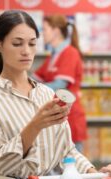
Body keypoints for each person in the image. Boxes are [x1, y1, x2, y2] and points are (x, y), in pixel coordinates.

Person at [0, 10, 111, 179]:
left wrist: (97, 175)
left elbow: (66, 151)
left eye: (32, 43)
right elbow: (1, 165)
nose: (26, 50)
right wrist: (36, 125)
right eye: (17, 43)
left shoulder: (47, 94)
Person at [33, 15, 87, 152]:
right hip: (57, 116)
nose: (41, 33)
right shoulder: (53, 56)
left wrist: (33, 89)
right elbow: (34, 78)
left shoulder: (70, 53)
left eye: (44, 29)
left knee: (74, 166)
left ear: (56, 31)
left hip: (70, 115)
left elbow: (60, 84)